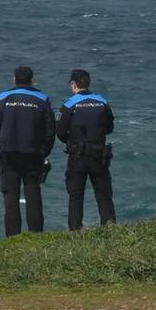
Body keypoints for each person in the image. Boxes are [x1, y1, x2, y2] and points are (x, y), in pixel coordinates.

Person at [0, 64, 55, 236]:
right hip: (33, 153)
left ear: (14, 79)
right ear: (32, 80)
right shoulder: (43, 99)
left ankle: (12, 235)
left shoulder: (2, 98)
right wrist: (44, 151)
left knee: (10, 195)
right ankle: (36, 233)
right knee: (33, 193)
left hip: (8, 153)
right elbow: (50, 129)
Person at [57, 68, 115, 229]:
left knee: (76, 195)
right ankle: (109, 227)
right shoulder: (102, 101)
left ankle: (75, 231)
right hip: (99, 154)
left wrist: (72, 140)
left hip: (77, 155)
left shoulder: (69, 104)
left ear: (73, 84)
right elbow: (110, 127)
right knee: (104, 194)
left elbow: (60, 132)